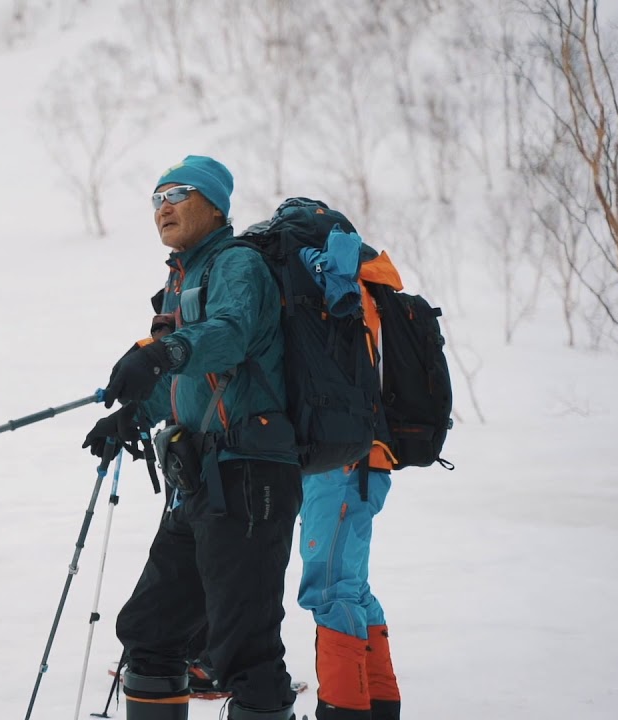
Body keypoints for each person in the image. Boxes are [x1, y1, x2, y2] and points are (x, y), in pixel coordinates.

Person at [82, 155, 302, 720]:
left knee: (244, 651)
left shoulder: (237, 267)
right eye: (156, 198)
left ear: (214, 205)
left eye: (178, 194)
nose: (164, 207)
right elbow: (184, 376)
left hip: (250, 476)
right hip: (200, 480)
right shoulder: (183, 278)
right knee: (151, 631)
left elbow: (226, 337)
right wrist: (132, 415)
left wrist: (162, 352)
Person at [298, 246, 405, 720]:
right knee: (352, 589)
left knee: (329, 591)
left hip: (342, 462)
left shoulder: (338, 285)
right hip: (366, 462)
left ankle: (345, 710)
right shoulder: (370, 286)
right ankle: (378, 706)